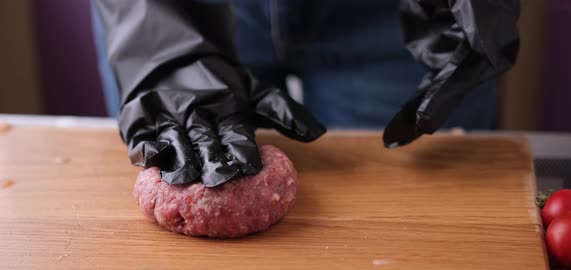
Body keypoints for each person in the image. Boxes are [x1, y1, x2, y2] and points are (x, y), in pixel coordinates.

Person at [91, 0, 520, 187]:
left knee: (421, 215)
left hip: (391, 18)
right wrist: (157, 41)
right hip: (184, 8)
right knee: (184, 156)